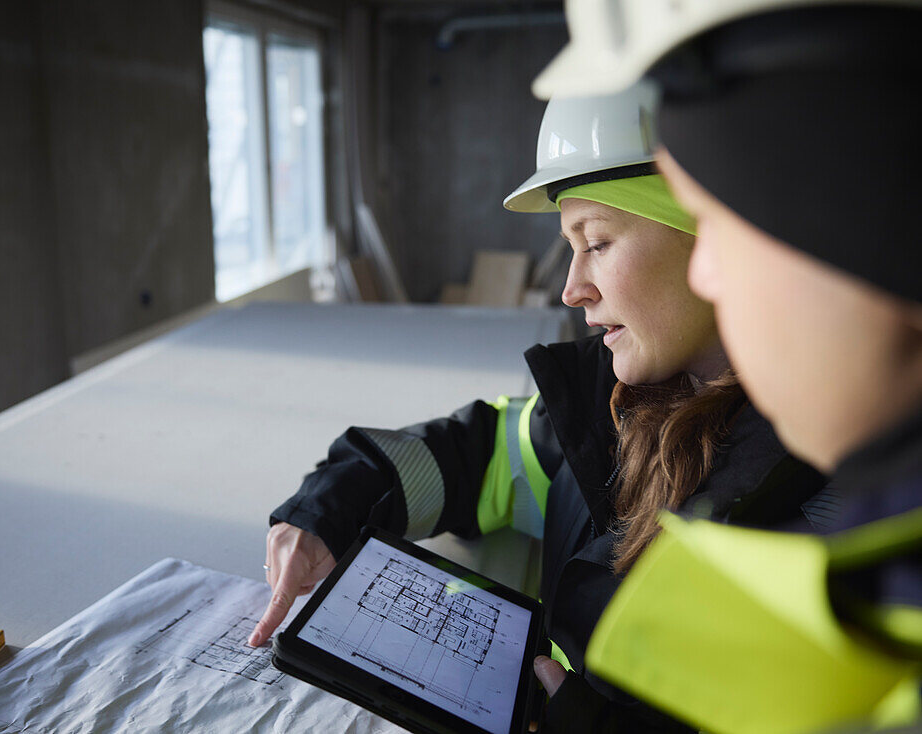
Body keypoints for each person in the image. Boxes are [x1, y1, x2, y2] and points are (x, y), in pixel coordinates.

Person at [250, 81, 829, 730]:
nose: (571, 288)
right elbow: (468, 455)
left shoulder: (828, 507)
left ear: (709, 238)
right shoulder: (605, 406)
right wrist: (325, 510)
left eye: (598, 242)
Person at [530, 2, 922, 732]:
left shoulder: (834, 542)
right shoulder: (606, 403)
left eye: (718, 226)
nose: (707, 277)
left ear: (865, 228)